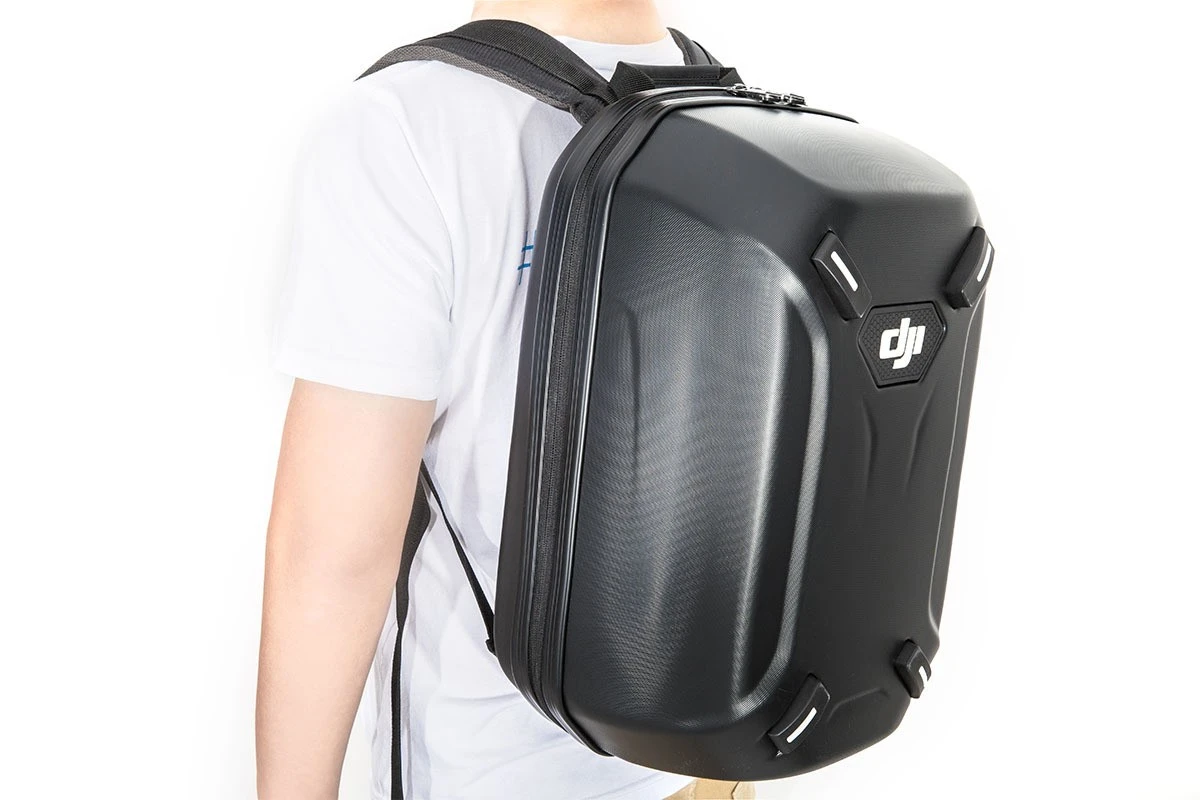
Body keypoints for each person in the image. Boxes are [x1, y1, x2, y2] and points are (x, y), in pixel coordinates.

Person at [256, 1, 754, 798]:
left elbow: (335, 552)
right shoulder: (735, 115)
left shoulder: (403, 130)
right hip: (706, 759)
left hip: (489, 769)